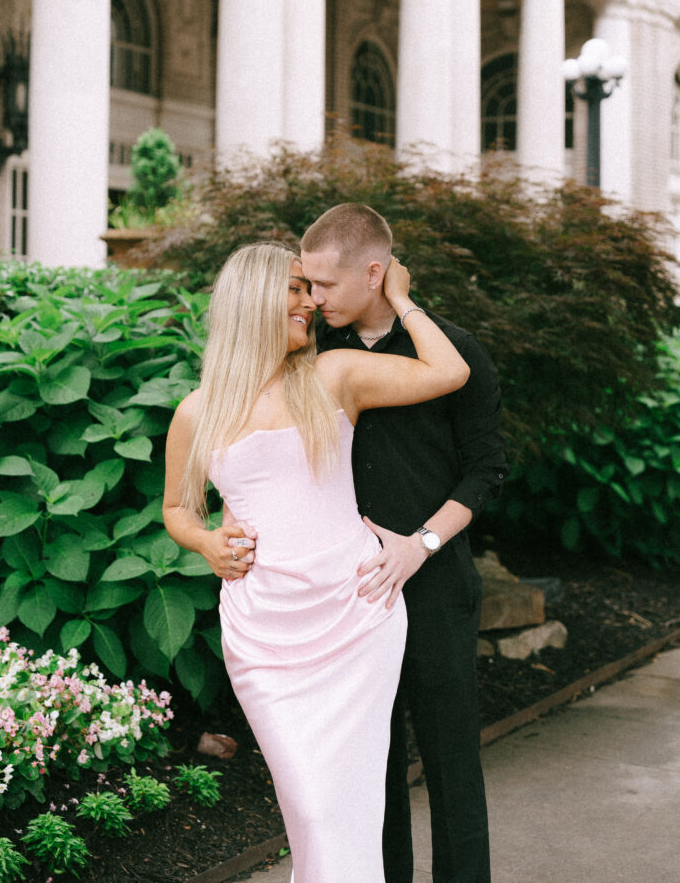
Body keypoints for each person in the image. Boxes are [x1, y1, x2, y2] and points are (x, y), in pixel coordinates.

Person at [162, 241, 470, 883]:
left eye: (312, 289)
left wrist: (401, 300)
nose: (312, 302)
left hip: (356, 618)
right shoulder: (197, 411)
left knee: (343, 813)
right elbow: (178, 510)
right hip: (264, 637)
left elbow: (450, 372)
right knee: (310, 807)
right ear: (250, 300)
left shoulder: (333, 375)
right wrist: (206, 543)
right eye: (296, 289)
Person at [300, 204, 508, 883]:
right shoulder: (311, 357)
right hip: (347, 591)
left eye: (325, 285)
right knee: (368, 768)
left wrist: (420, 543)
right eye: (307, 285)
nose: (313, 298)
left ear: (374, 272)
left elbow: (485, 469)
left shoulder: (452, 350)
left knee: (451, 763)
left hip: (436, 581)